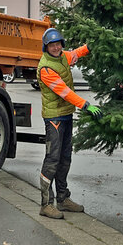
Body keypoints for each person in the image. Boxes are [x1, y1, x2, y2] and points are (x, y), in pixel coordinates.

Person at [36, 27, 101, 219]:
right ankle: (46, 204)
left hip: (66, 115)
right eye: (51, 45)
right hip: (54, 118)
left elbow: (76, 54)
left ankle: (63, 199)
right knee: (52, 159)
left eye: (58, 44)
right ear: (45, 47)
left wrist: (91, 46)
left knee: (65, 158)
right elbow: (64, 91)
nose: (55, 48)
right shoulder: (46, 68)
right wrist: (86, 105)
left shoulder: (63, 56)